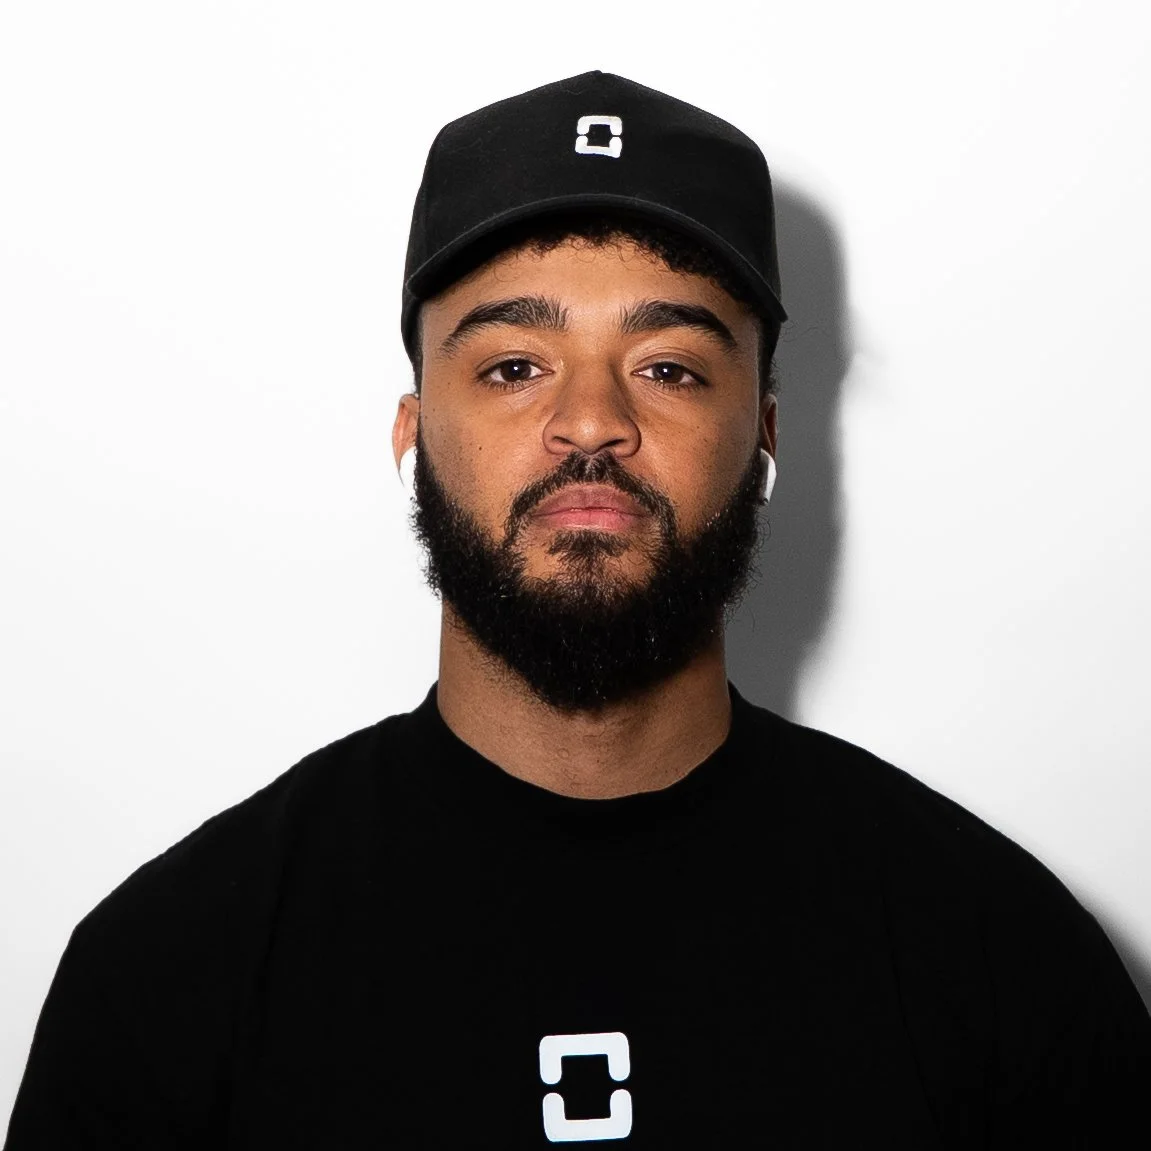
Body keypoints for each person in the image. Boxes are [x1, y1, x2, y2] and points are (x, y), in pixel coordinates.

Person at [7, 71, 1150, 1150]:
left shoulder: (996, 954)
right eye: (513, 365)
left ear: (763, 429)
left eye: (669, 366)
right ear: (412, 430)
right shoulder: (171, 970)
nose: (590, 420)